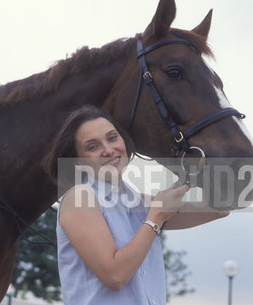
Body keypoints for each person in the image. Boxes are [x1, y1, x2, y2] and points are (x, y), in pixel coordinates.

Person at [43, 105, 229, 305]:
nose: (108, 149)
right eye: (92, 146)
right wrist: (156, 217)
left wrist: (205, 167)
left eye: (112, 137)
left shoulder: (137, 201)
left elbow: (220, 208)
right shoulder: (79, 197)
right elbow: (115, 276)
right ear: (77, 162)